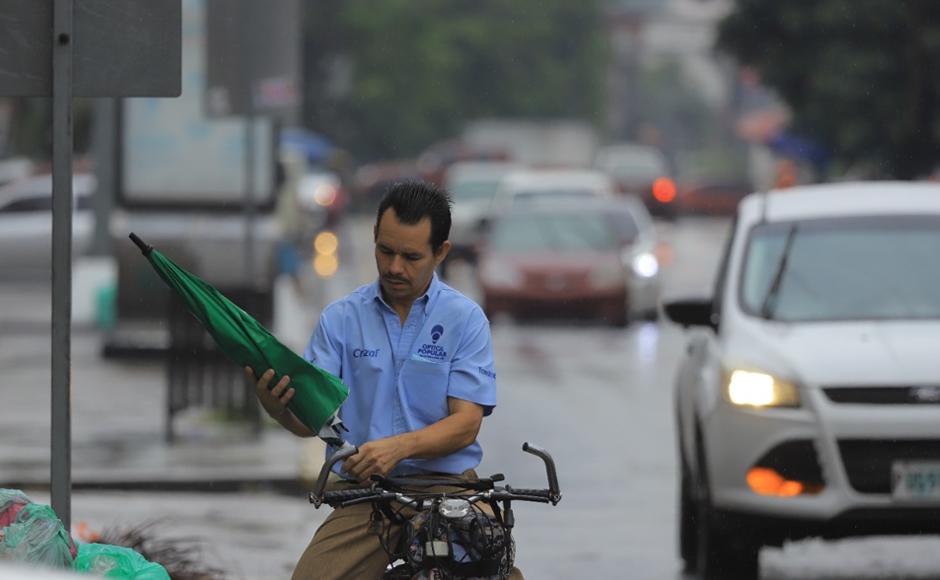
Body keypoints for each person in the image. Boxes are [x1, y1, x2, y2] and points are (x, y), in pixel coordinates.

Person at [247, 181, 518, 579]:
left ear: (440, 252)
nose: (394, 267)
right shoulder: (340, 319)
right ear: (373, 237)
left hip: (448, 489)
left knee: (501, 571)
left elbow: (465, 424)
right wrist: (276, 407)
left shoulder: (465, 319)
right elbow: (310, 422)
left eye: (411, 256)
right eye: (385, 251)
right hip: (364, 495)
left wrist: (397, 448)